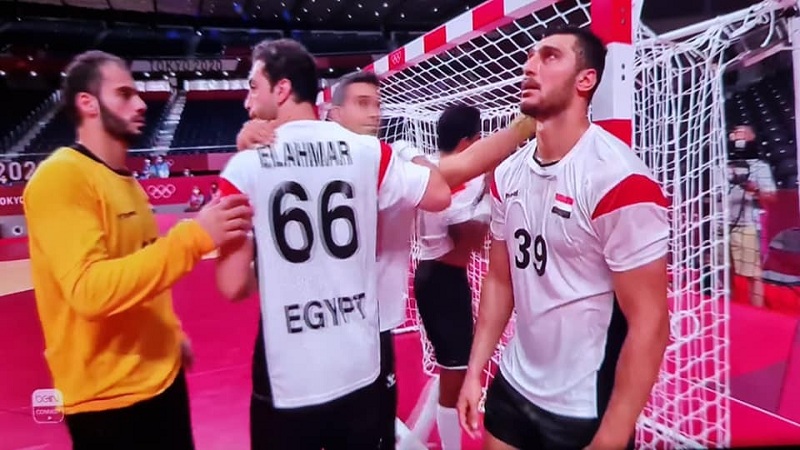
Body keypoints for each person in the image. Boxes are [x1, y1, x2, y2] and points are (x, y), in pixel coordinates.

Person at [236, 71, 539, 449]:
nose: (374, 113)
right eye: (362, 103)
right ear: (333, 113)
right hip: (321, 330)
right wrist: (253, 136)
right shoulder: (316, 160)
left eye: (377, 104)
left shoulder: (390, 158)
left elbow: (459, 169)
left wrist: (527, 122)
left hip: (366, 327)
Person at [214, 38, 452, 450]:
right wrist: (409, 155)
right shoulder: (369, 152)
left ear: (282, 89)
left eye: (254, 86)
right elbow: (439, 194)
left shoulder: (244, 167)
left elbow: (233, 285)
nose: (247, 99)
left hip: (289, 374)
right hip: (359, 364)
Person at [22, 50, 253, 450]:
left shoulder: (126, 182)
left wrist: (170, 334)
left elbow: (142, 270)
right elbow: (89, 290)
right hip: (107, 401)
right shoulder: (61, 177)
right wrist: (194, 236)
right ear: (87, 103)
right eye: (125, 94)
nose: (142, 103)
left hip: (161, 380)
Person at [457, 26, 671, 450]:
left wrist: (612, 435)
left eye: (550, 56)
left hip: (580, 406)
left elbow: (651, 323)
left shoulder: (618, 180)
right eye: (531, 56)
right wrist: (475, 369)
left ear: (585, 79)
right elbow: (499, 280)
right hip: (513, 383)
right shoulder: (507, 174)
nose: (530, 66)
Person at [413, 104, 489, 450]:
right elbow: (470, 240)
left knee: (452, 369)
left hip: (438, 277)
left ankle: (416, 437)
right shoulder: (458, 184)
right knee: (455, 373)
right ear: (467, 143)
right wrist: (489, 195)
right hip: (442, 282)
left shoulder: (431, 170)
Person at [727, 124, 776, 307]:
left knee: (753, 274)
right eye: (734, 134)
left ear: (751, 138)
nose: (736, 137)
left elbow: (771, 198)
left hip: (747, 225)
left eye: (740, 133)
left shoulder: (760, 167)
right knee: (725, 271)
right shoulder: (723, 166)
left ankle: (758, 312)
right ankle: (729, 309)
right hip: (722, 225)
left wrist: (754, 189)